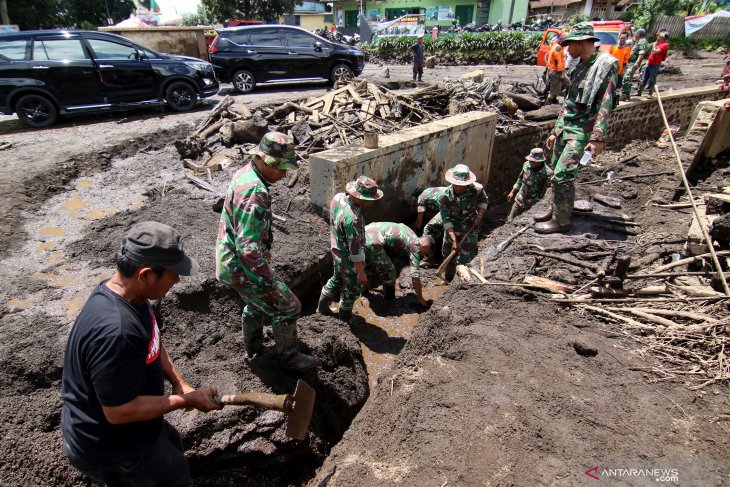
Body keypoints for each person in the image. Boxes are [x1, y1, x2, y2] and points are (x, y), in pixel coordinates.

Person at [61, 221, 222, 487]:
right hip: (113, 448)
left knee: (172, 451)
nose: (178, 280)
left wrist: (179, 383)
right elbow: (119, 411)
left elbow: (153, 342)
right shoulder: (118, 333)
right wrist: (186, 401)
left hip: (132, 429)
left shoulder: (131, 296)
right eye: (173, 273)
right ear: (145, 274)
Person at [216, 132, 319, 372]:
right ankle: (289, 357)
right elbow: (247, 248)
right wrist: (265, 281)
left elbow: (248, 230)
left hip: (230, 262)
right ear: (265, 160)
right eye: (281, 168)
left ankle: (253, 350)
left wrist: (265, 248)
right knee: (289, 306)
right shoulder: (255, 191)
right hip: (242, 266)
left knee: (256, 304)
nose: (284, 175)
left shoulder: (245, 174)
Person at [536, 22, 618, 234]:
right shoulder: (580, 65)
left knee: (564, 174)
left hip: (582, 129)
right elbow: (568, 102)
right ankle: (554, 209)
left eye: (570, 44)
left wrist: (597, 137)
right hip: (567, 127)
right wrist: (556, 130)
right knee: (554, 170)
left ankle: (561, 221)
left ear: (582, 43)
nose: (567, 49)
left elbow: (605, 103)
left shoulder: (605, 65)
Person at [317, 176, 383, 323]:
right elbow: (355, 249)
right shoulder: (353, 218)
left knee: (336, 278)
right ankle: (345, 317)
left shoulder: (338, 197)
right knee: (352, 287)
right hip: (348, 258)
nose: (368, 203)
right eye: (368, 199)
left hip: (336, 250)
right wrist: (360, 272)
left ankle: (322, 308)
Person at [364, 222, 433, 310]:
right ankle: (389, 300)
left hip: (365, 231)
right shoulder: (415, 247)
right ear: (424, 245)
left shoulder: (411, 233)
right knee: (390, 273)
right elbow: (415, 278)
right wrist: (421, 299)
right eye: (425, 253)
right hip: (372, 242)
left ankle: (364, 292)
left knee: (368, 265)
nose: (423, 255)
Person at [439, 164, 488, 277]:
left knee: (467, 254)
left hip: (471, 227)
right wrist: (454, 240)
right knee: (448, 253)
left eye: (462, 185)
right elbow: (446, 219)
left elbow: (484, 201)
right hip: (452, 228)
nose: (458, 187)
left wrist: (479, 216)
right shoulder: (444, 196)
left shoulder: (477, 190)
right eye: (456, 184)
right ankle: (449, 279)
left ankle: (465, 280)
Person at [507, 148, 552, 221]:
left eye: (533, 161)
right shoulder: (526, 165)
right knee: (510, 219)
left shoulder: (547, 173)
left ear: (540, 161)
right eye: (530, 160)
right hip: (520, 198)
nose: (530, 162)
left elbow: (546, 191)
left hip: (533, 203)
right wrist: (512, 192)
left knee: (523, 221)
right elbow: (520, 179)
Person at [636, 32, 668, 97]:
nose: (657, 37)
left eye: (659, 36)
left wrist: (654, 46)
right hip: (649, 63)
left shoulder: (665, 45)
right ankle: (639, 92)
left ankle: (650, 94)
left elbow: (656, 51)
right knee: (644, 78)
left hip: (655, 64)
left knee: (652, 79)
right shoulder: (657, 43)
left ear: (662, 38)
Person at [620, 28, 649, 101]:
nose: (635, 34)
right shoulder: (638, 40)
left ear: (639, 34)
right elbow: (634, 40)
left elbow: (641, 53)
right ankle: (625, 95)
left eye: (636, 33)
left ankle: (625, 95)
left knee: (627, 77)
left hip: (633, 63)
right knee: (626, 77)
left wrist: (636, 62)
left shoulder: (642, 41)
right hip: (630, 62)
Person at [546, 31, 570, 104]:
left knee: (568, 84)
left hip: (556, 71)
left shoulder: (558, 46)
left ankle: (558, 100)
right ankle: (548, 104)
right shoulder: (558, 48)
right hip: (555, 71)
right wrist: (562, 73)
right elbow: (559, 61)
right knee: (553, 92)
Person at [609, 31, 631, 104]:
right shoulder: (613, 48)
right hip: (611, 71)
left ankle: (616, 102)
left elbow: (625, 62)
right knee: (609, 87)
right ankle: (609, 101)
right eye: (621, 38)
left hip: (619, 72)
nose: (621, 40)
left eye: (623, 39)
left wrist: (622, 72)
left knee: (617, 88)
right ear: (618, 38)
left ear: (626, 39)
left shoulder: (627, 49)